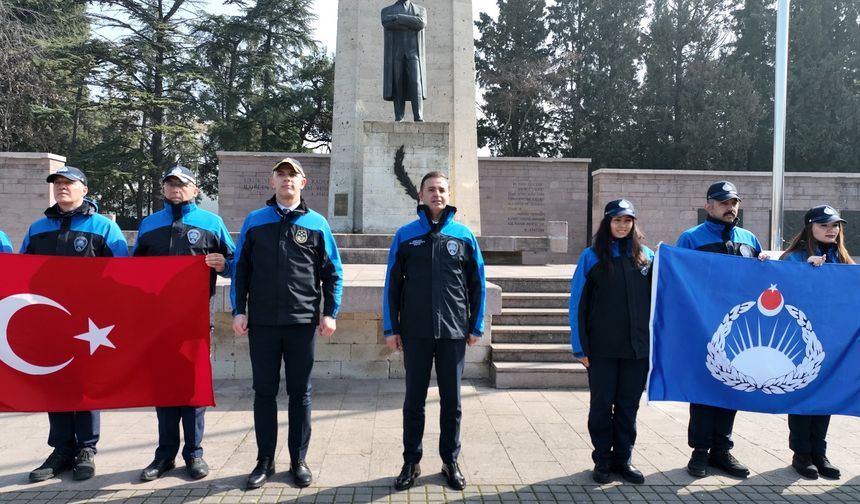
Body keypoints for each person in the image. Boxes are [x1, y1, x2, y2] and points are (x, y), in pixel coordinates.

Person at [231, 157, 343, 490]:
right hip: (263, 323)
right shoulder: (255, 221)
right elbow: (241, 271)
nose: (286, 181)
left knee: (300, 394)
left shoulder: (317, 223)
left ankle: (298, 460)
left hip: (302, 322)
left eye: (292, 176)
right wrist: (239, 310)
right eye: (281, 175)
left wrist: (330, 312)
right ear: (272, 182)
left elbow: (332, 272)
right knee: (263, 393)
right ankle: (264, 460)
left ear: (303, 183)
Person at [23, 166, 129, 483]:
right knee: (55, 383)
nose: (61, 188)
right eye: (57, 184)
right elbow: (21, 272)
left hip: (90, 325)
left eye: (68, 183)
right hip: (50, 320)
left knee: (85, 386)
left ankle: (86, 449)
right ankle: (61, 450)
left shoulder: (104, 228)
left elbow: (122, 273)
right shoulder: (38, 228)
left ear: (84, 188)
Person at [383, 171, 486, 491]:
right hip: (415, 332)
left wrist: (475, 324)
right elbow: (392, 287)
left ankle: (449, 460)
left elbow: (477, 284)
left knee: (451, 401)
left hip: (453, 331)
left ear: (449, 194)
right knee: (414, 399)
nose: (436, 194)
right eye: (431, 189)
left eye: (441, 189)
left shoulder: (463, 235)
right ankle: (411, 461)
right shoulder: (405, 235)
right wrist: (392, 328)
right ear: (421, 195)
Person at [133, 165, 235, 482]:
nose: (176, 188)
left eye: (182, 184)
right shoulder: (149, 225)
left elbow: (234, 264)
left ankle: (194, 454)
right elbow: (132, 271)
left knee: (192, 388)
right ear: (164, 189)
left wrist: (223, 264)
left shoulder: (211, 223)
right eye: (170, 184)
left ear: (195, 190)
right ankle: (164, 455)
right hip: (157, 321)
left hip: (195, 320)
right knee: (163, 389)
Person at [676, 180, 764, 479]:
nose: (731, 207)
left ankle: (721, 452)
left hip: (740, 333)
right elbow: (679, 285)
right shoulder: (690, 239)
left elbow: (759, 283)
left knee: (732, 389)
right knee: (704, 391)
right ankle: (699, 453)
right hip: (704, 329)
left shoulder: (750, 239)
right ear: (708, 206)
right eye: (724, 202)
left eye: (734, 202)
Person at [569, 199, 653, 485]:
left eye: (627, 220)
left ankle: (623, 459)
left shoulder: (647, 258)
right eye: (616, 220)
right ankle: (603, 460)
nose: (622, 225)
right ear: (607, 223)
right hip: (602, 350)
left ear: (633, 223)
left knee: (629, 407)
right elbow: (577, 303)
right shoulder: (591, 257)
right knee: (602, 406)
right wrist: (579, 346)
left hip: (636, 350)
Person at [779, 204, 852, 480]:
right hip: (802, 343)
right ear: (810, 228)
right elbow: (782, 296)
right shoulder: (794, 259)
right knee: (803, 397)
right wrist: (807, 274)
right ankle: (801, 454)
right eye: (824, 225)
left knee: (825, 399)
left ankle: (819, 452)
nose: (832, 229)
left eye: (835, 225)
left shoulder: (844, 261)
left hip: (834, 344)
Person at [381, 0, 427, 122]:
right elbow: (386, 22)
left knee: (416, 82)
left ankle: (418, 116)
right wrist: (411, 23)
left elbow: (421, 23)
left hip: (413, 54)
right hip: (397, 54)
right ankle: (399, 116)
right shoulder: (386, 11)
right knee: (398, 83)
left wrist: (398, 18)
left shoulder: (420, 10)